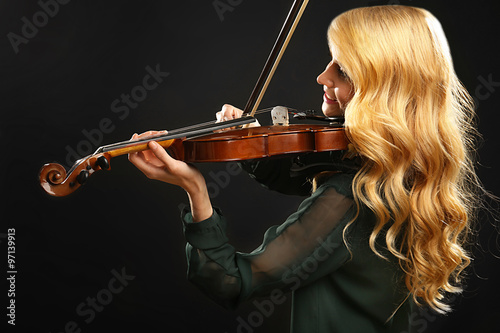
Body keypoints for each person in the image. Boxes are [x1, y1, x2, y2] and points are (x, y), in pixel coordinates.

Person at [128, 5, 481, 332]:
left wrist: (194, 188)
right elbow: (303, 174)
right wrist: (251, 143)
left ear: (383, 89)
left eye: (342, 70)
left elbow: (230, 281)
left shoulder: (350, 198)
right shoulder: (401, 173)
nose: (321, 76)